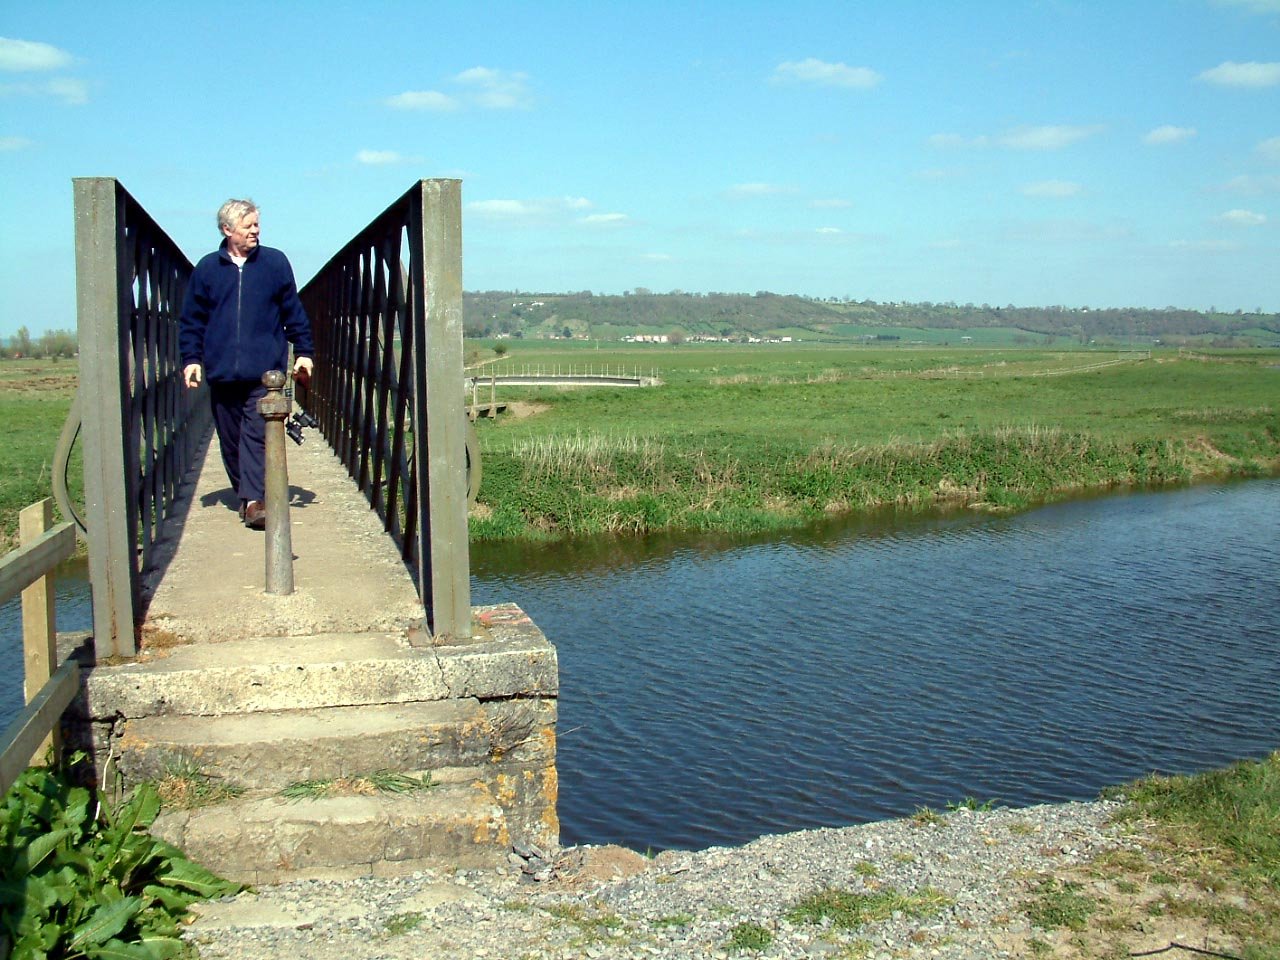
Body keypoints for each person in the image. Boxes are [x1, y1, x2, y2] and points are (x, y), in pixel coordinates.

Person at [179, 199, 314, 529]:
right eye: (248, 225)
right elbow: (192, 320)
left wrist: (305, 352)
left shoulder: (275, 263)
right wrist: (192, 359)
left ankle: (255, 502)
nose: (256, 230)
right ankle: (246, 492)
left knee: (255, 433)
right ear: (227, 230)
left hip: (265, 372)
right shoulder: (208, 269)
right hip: (222, 371)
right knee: (230, 439)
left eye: (256, 224)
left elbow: (292, 311)